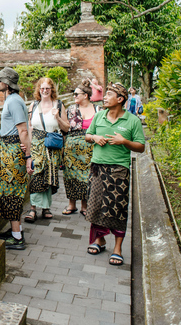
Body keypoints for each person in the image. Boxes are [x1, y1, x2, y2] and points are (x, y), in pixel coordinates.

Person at [85, 82, 146, 266]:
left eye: (109, 94)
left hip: (119, 170)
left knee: (117, 208)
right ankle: (99, 239)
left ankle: (118, 248)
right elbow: (88, 135)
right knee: (95, 206)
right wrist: (94, 137)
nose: (104, 97)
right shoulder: (99, 116)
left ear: (120, 99)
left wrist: (124, 141)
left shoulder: (132, 121)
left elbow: (141, 147)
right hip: (97, 168)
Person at [0, 66, 32, 250]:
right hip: (9, 148)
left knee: (11, 191)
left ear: (7, 84)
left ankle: (17, 238)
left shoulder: (14, 101)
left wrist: (28, 156)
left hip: (12, 151)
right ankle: (16, 231)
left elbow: (23, 129)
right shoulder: (13, 99)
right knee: (8, 190)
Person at [24, 77, 69, 223]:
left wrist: (58, 117)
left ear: (52, 90)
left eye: (47, 89)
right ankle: (32, 208)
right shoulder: (33, 105)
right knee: (36, 175)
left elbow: (67, 128)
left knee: (49, 176)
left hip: (51, 146)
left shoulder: (59, 105)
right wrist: (28, 152)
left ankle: (46, 207)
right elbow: (29, 128)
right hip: (36, 145)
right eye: (42, 88)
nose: (44, 91)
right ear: (38, 90)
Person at [62, 80, 99, 217]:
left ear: (86, 95)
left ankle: (84, 205)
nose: (74, 96)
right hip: (72, 147)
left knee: (87, 176)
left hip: (90, 148)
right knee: (70, 176)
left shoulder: (98, 110)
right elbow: (65, 128)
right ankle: (72, 204)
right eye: (73, 94)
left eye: (76, 94)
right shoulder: (70, 109)